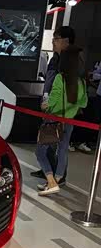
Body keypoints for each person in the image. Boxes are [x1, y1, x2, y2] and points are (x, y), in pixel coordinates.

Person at [36, 45, 87, 196]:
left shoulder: (60, 78)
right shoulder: (81, 82)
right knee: (63, 150)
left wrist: (45, 104)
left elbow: (52, 101)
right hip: (70, 121)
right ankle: (56, 180)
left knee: (40, 151)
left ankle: (51, 182)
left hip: (53, 120)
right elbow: (83, 103)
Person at [31, 26, 77, 183]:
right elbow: (50, 83)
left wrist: (51, 104)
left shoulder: (69, 61)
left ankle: (57, 177)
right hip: (52, 107)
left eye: (56, 39)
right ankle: (50, 172)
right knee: (50, 141)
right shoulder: (55, 59)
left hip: (61, 109)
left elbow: (63, 89)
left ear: (66, 41)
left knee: (59, 144)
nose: (53, 42)